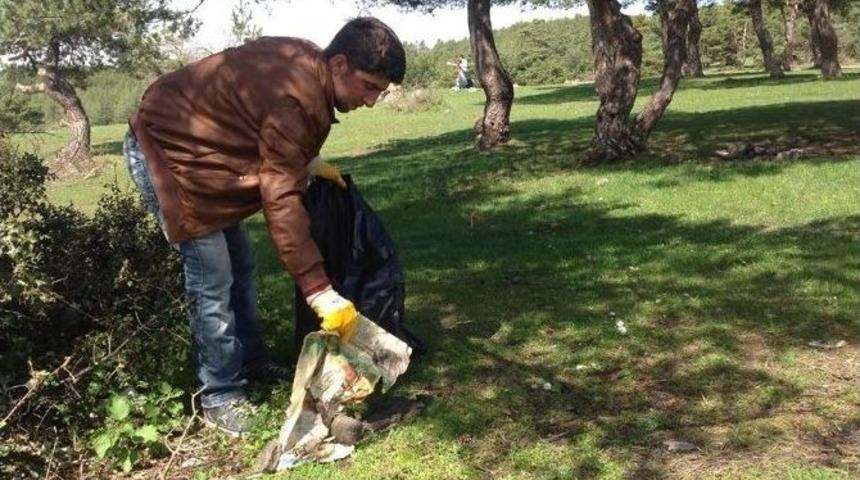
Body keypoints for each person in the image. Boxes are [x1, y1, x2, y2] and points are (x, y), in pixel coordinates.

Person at [123, 17, 405, 437]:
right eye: (368, 87)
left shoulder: (307, 65)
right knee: (212, 279)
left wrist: (307, 162)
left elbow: (253, 119)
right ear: (340, 63)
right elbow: (281, 198)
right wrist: (318, 289)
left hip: (209, 159)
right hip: (167, 156)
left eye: (379, 94)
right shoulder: (298, 96)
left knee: (242, 268)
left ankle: (251, 362)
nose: (369, 101)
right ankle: (220, 395)